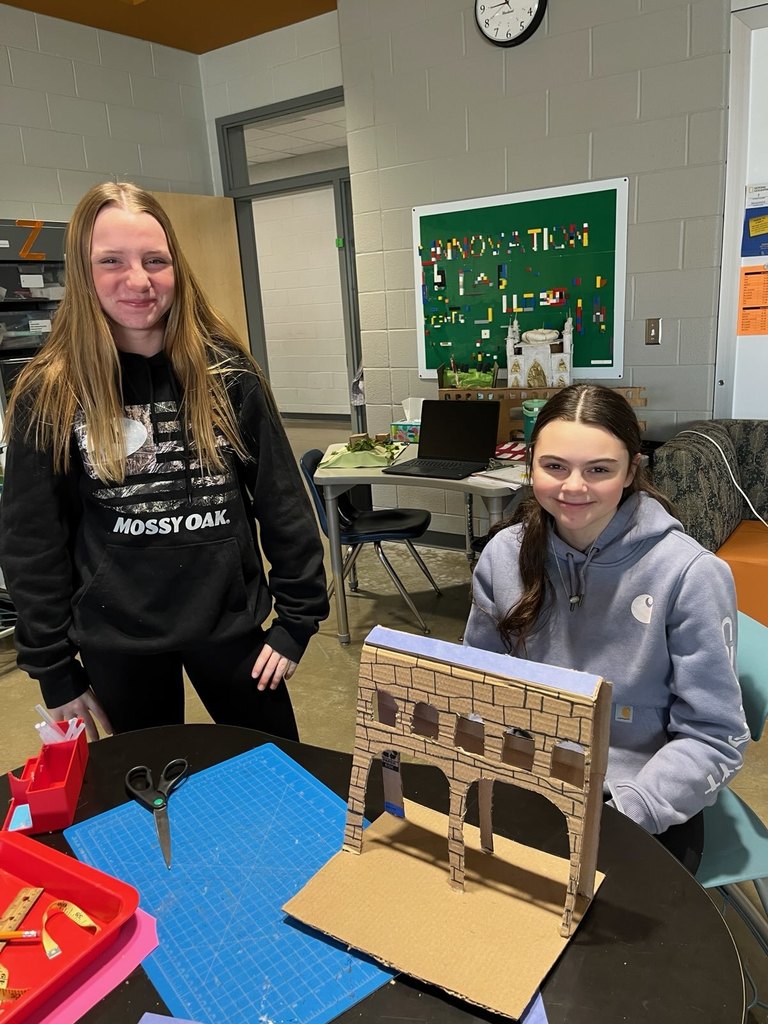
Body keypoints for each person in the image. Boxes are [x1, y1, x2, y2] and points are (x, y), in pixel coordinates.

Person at [0, 182, 330, 743]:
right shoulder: (50, 391)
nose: (138, 280)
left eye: (155, 260)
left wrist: (297, 623)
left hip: (233, 632)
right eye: (111, 262)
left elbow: (283, 504)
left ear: (176, 267)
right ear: (83, 273)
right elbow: (32, 541)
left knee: (276, 781)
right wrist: (54, 669)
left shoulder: (229, 375)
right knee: (143, 791)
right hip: (116, 640)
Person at [464, 383, 750, 871]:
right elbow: (475, 687)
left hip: (641, 802)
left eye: (599, 470)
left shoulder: (689, 574)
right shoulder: (504, 555)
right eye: (554, 466)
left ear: (631, 470)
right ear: (529, 464)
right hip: (529, 780)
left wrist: (629, 810)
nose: (573, 487)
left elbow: (714, 736)